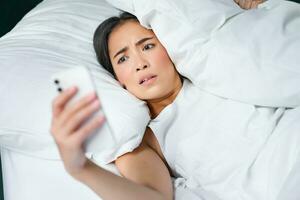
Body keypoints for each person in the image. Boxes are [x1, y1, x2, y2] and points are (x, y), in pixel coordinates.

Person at [51, 1, 300, 200]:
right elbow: (152, 196)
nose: (140, 64)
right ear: (118, 80)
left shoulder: (216, 72)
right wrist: (80, 168)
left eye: (147, 46)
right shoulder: (145, 140)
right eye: (123, 59)